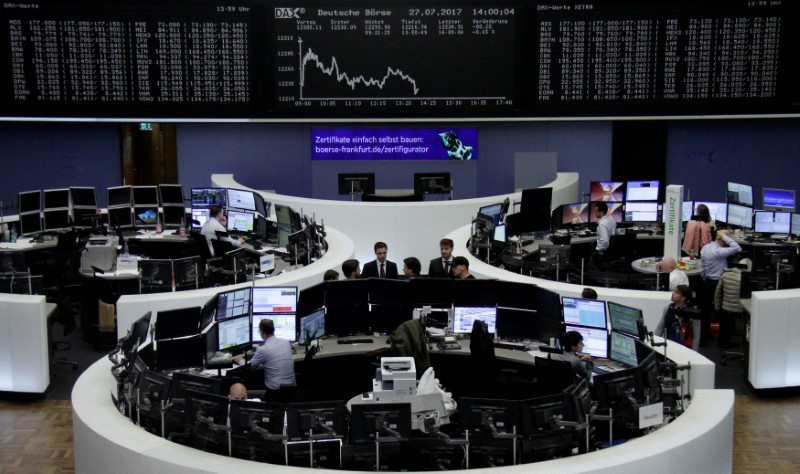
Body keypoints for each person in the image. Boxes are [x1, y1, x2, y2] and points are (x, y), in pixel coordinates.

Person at [699, 230, 742, 346]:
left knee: (706, 311)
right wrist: (724, 236)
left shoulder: (705, 248)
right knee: (724, 312)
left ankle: (703, 337)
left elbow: (702, 268)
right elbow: (737, 248)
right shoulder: (719, 251)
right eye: (728, 239)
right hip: (719, 282)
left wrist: (705, 279)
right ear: (722, 239)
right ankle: (724, 341)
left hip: (708, 281)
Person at [234, 318, 295, 396]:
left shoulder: (263, 349)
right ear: (274, 330)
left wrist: (240, 360)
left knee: (251, 384)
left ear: (262, 332)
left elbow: (249, 367)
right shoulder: (286, 342)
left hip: (275, 391)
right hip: (292, 389)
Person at [714, 258, 752, 348]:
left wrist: (717, 307)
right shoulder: (747, 279)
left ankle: (723, 343)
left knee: (725, 324)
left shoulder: (725, 275)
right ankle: (746, 344)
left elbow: (718, 293)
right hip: (742, 310)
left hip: (726, 309)